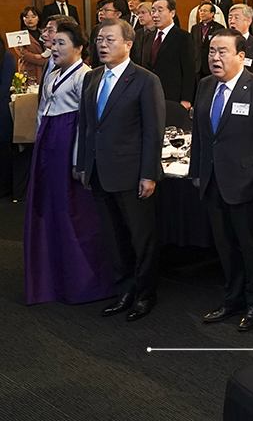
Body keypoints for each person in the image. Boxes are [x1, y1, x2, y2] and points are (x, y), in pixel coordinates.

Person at [188, 30, 253, 332]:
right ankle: (233, 298)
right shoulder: (204, 86)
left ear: (241, 56)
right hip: (212, 180)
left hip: (246, 181)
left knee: (251, 246)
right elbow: (201, 136)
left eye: (222, 51)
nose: (215, 57)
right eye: (212, 51)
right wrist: (196, 172)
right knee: (225, 246)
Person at [77, 19, 166, 322]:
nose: (102, 44)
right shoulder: (92, 79)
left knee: (141, 238)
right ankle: (124, 291)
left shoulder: (144, 79)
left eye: (109, 40)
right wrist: (82, 164)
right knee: (113, 238)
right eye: (99, 39)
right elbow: (87, 127)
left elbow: (153, 132)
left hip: (132, 173)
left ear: (128, 44)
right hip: (100, 171)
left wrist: (149, 173)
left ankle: (144, 295)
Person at [24, 21, 109, 304]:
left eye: (62, 43)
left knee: (72, 212)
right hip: (48, 144)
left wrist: (78, 161)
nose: (55, 47)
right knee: (47, 208)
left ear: (79, 48)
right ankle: (51, 277)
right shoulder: (53, 73)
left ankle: (82, 281)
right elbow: (42, 112)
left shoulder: (85, 76)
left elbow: (86, 125)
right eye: (53, 42)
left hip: (68, 145)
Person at [141, 0, 196, 109]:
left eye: (160, 11)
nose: (155, 15)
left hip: (172, 96)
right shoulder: (148, 37)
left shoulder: (183, 37)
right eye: (153, 11)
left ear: (172, 13)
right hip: (149, 94)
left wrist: (186, 98)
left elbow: (189, 70)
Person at [190, 1, 225, 79]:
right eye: (201, 11)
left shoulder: (219, 28)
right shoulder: (195, 28)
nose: (202, 13)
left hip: (211, 64)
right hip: (197, 66)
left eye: (205, 11)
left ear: (212, 13)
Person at [15, 6, 47, 83]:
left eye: (33, 16)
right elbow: (24, 54)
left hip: (44, 69)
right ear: (23, 19)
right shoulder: (19, 35)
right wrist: (46, 61)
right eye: (26, 17)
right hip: (29, 69)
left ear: (38, 18)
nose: (30, 19)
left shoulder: (45, 33)